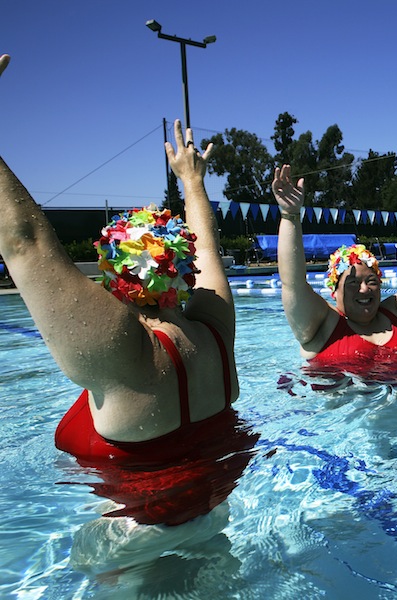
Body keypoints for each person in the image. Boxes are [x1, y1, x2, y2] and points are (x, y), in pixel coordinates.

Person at [0, 54, 257, 566]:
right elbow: (208, 249)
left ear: (115, 276)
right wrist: (191, 183)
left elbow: (27, 243)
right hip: (215, 519)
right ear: (179, 266)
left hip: (135, 550)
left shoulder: (124, 351)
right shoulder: (213, 329)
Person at [272, 164, 397, 374]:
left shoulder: (396, 314)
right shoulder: (321, 324)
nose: (364, 289)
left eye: (371, 281)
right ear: (335, 291)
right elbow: (293, 284)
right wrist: (290, 215)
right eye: (352, 283)